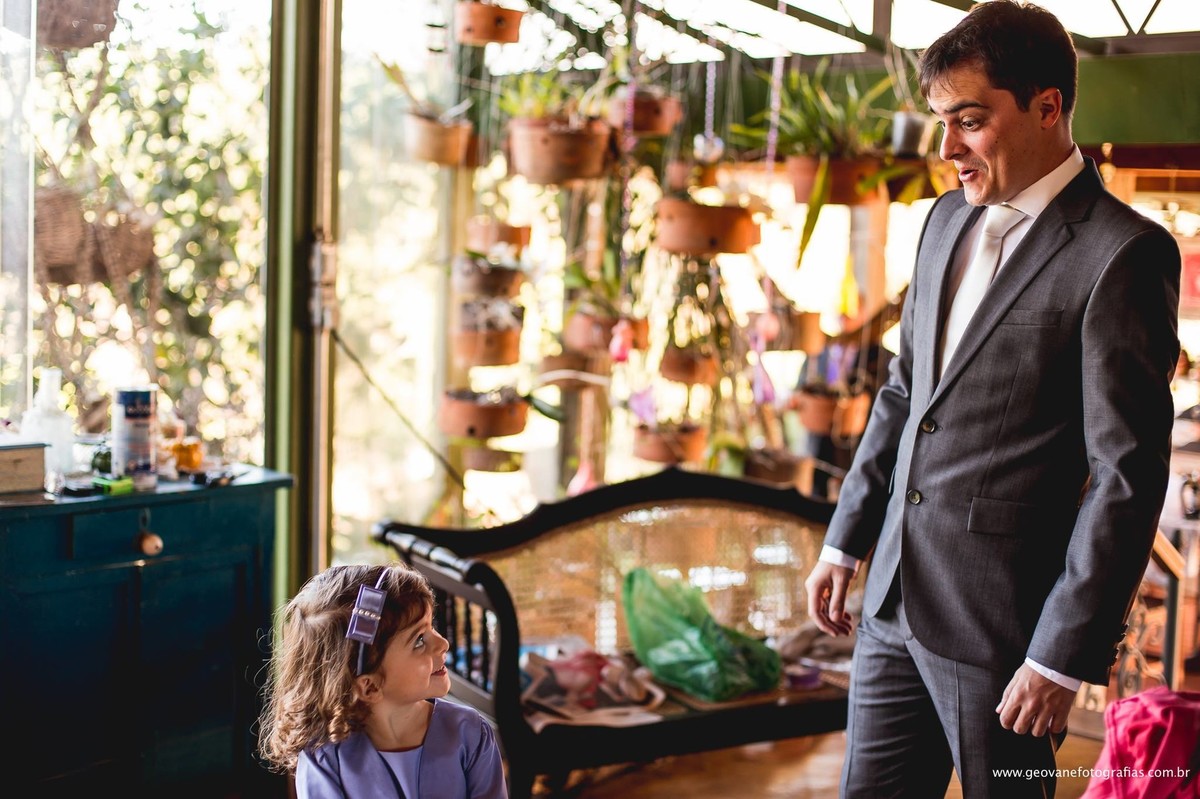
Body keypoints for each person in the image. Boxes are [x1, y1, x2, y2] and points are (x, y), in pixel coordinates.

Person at [803, 2, 1181, 797]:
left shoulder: (1124, 253)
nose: (947, 149)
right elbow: (905, 391)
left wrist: (1059, 653)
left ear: (1046, 106)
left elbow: (1127, 476)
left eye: (969, 121)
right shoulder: (944, 220)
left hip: (1005, 633)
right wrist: (845, 540)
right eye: (941, 122)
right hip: (891, 603)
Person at [257, 563, 509, 798]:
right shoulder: (323, 758)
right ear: (370, 686)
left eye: (431, 626)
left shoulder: (471, 733)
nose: (443, 643)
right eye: (419, 640)